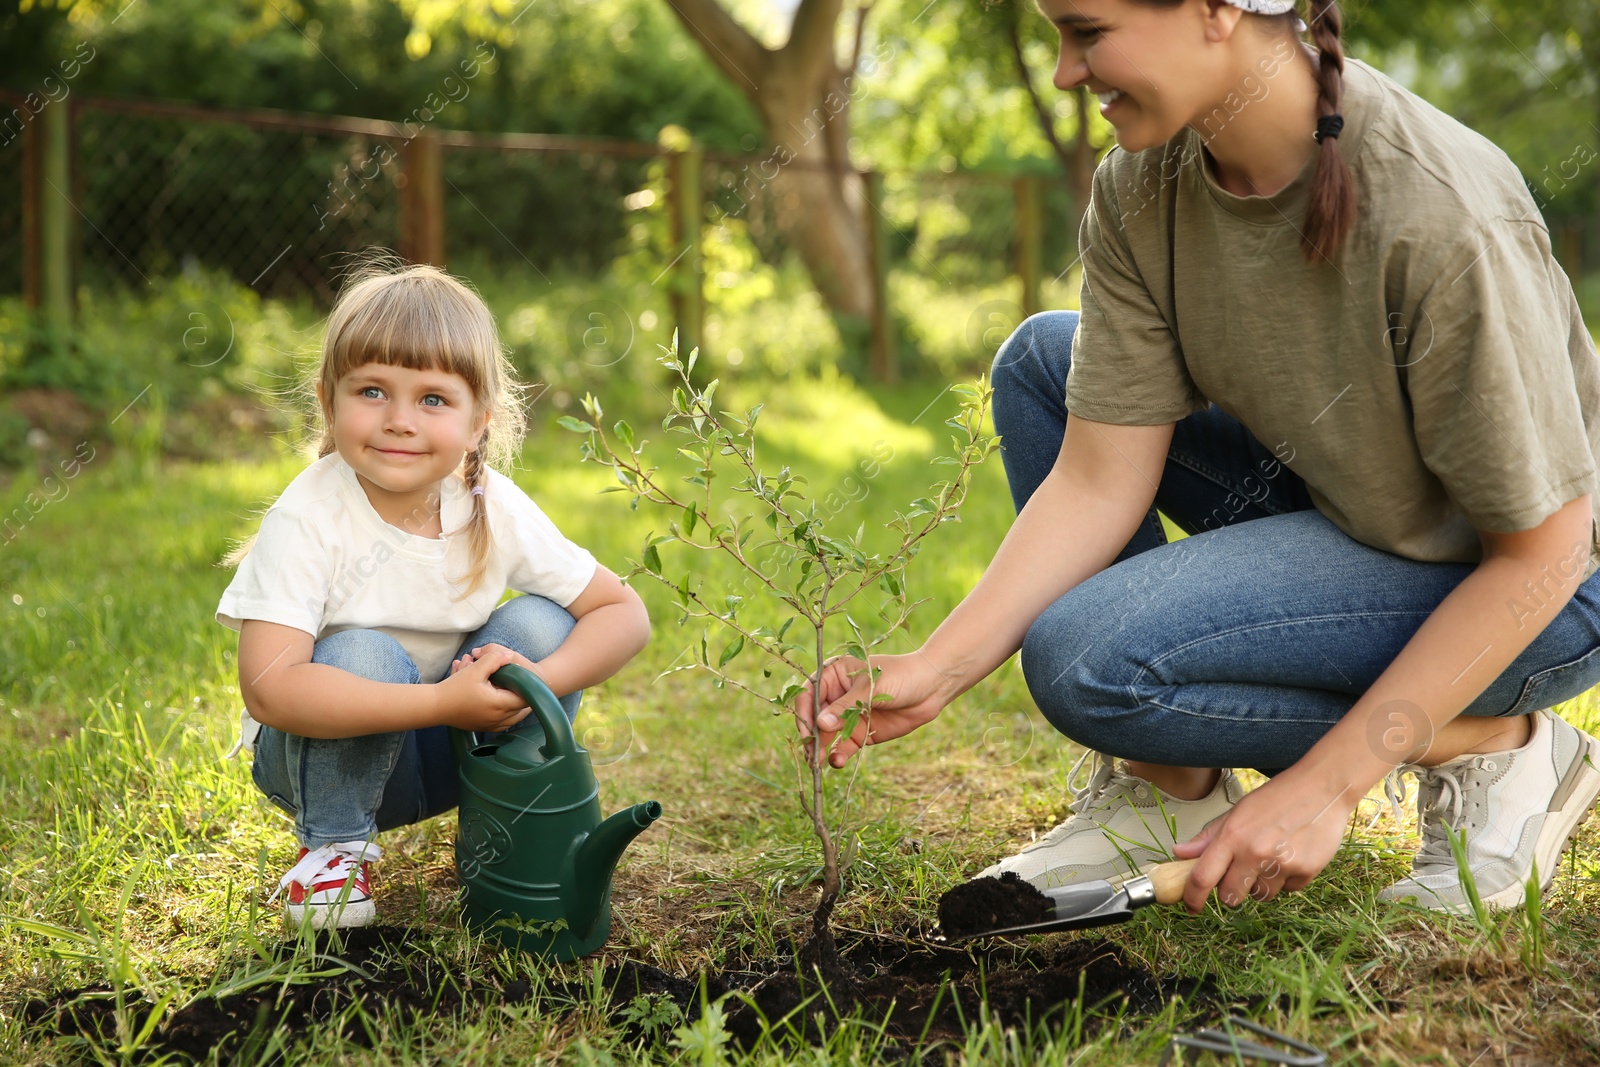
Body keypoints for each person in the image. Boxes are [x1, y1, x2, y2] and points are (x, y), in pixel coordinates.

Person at [799, 0, 1600, 915]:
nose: (1066, 72)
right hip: (1355, 510)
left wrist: (1328, 786)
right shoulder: (1143, 184)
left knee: (1085, 660)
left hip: (1539, 584)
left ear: (1219, 10)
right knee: (1041, 365)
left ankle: (1499, 741)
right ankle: (1166, 785)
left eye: (1088, 32)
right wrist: (937, 668)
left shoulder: (1439, 210)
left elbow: (1545, 553)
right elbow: (1101, 476)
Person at [216, 261, 650, 929]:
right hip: (319, 758)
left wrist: (538, 678)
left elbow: (624, 613)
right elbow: (269, 688)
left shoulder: (489, 506)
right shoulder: (309, 516)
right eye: (371, 391)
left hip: (451, 751)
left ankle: (502, 832)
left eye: (432, 400)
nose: (398, 420)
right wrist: (443, 699)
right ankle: (333, 851)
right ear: (328, 398)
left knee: (540, 623)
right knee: (364, 650)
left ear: (479, 422)